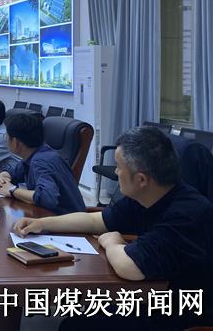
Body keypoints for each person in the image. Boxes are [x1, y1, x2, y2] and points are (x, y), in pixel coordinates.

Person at [13, 126, 213, 330]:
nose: (116, 172)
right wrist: (43, 224)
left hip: (185, 311)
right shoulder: (146, 196)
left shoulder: (187, 214)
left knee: (76, 326)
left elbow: (130, 268)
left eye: (119, 166)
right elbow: (96, 221)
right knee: (82, 317)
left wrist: (112, 242)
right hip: (156, 293)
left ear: (141, 179)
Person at [0, 113, 85, 214]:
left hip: (66, 220)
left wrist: (12, 190)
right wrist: (2, 176)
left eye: (6, 137)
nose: (5, 140)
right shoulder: (35, 154)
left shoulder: (41, 161)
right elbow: (14, 173)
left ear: (16, 142)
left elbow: (47, 198)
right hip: (49, 215)